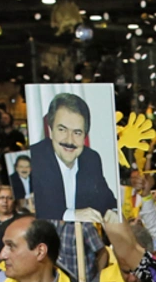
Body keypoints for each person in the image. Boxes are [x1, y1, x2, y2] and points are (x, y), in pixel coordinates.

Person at [27, 93, 118, 221]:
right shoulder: (33, 158)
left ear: (84, 136)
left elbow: (106, 200)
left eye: (77, 132)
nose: (69, 140)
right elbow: (30, 211)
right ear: (50, 130)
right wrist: (72, 215)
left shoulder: (91, 159)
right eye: (62, 130)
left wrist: (113, 212)